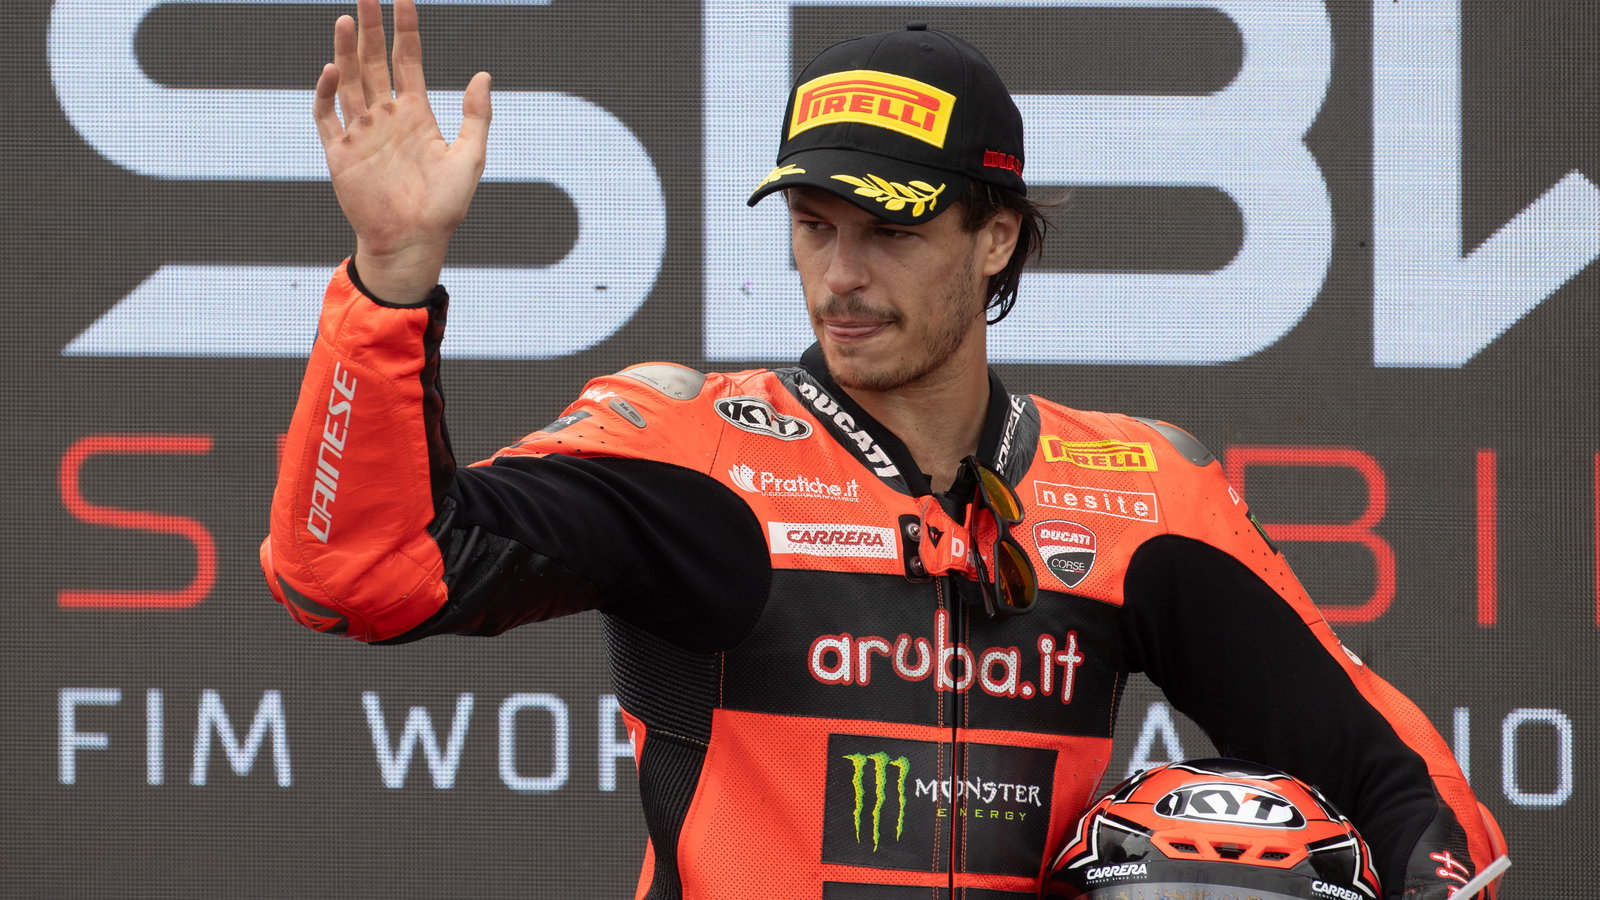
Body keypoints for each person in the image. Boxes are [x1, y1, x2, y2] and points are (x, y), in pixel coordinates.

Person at [263, 1, 1505, 896]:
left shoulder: (1137, 495)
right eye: (814, 227)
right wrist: (391, 278)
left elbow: (1401, 787)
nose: (841, 276)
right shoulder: (696, 454)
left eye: (891, 231)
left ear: (995, 237)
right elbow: (358, 573)